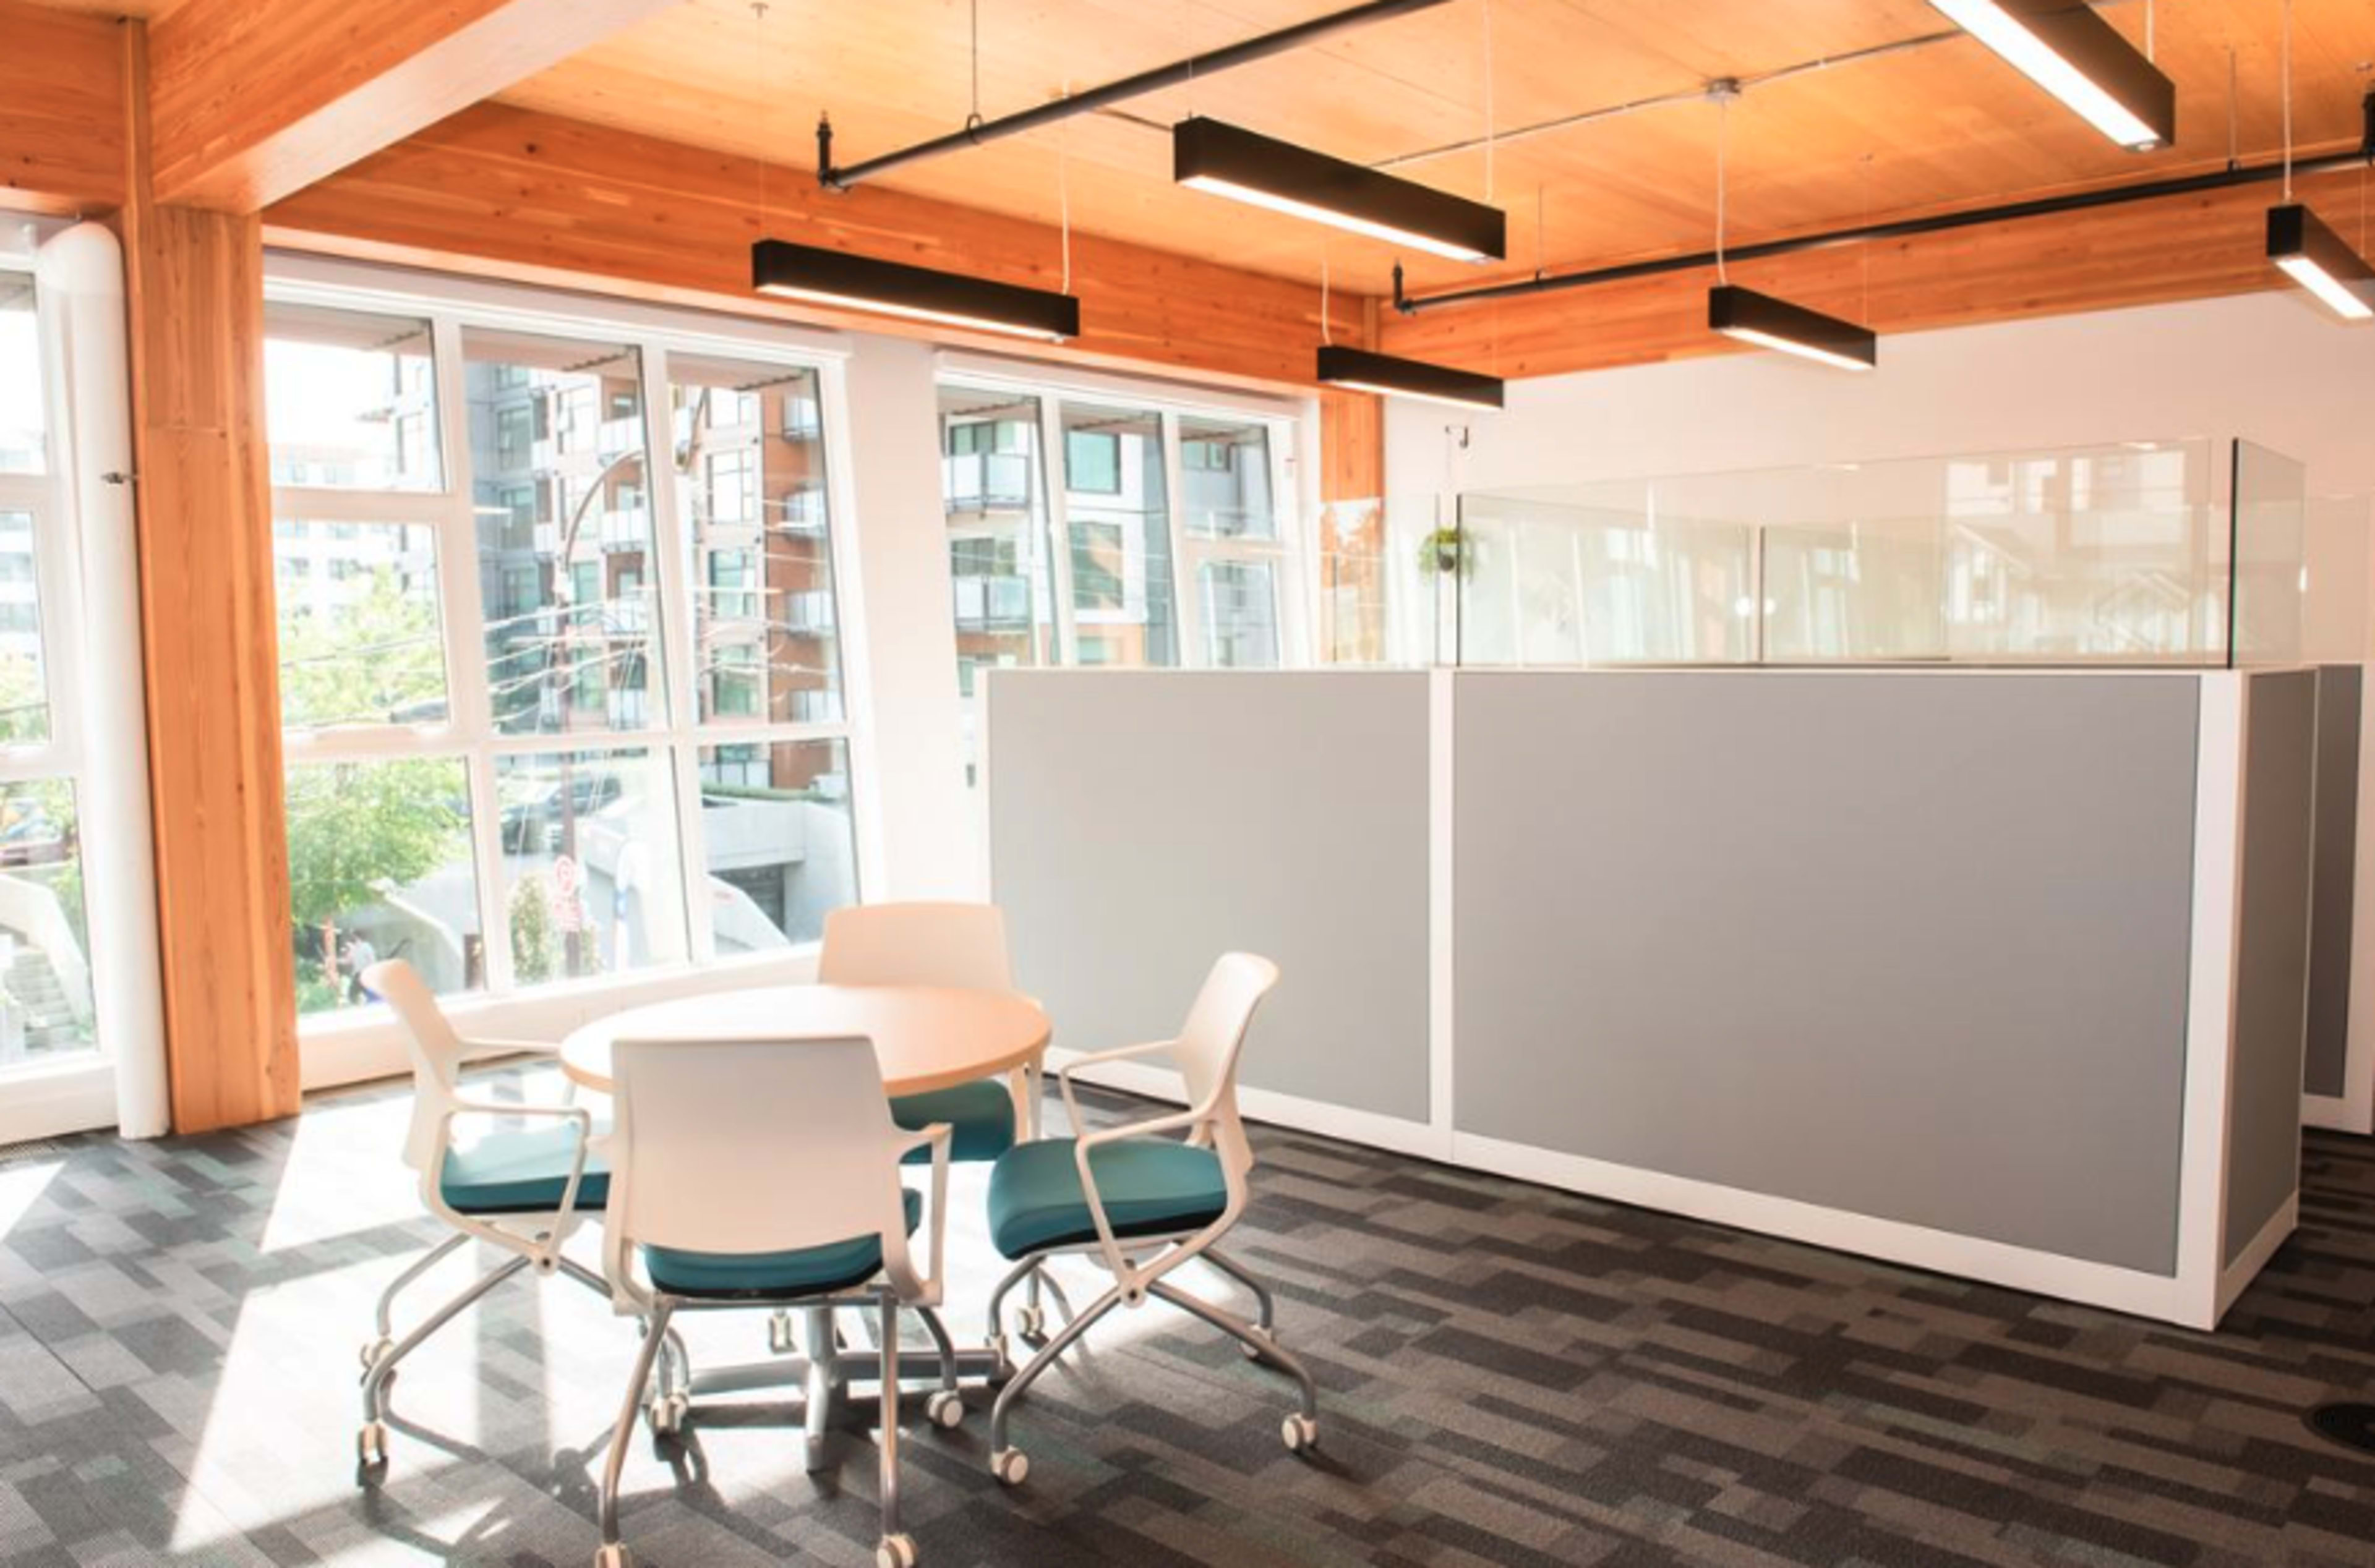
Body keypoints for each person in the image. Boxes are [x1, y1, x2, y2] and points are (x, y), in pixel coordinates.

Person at [342, 932, 378, 1004]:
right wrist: (334, 961)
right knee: (352, 995)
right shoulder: (354, 950)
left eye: (349, 946)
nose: (348, 949)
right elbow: (348, 961)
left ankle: (373, 1003)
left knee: (370, 992)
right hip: (358, 975)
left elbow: (372, 960)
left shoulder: (366, 947)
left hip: (366, 974)